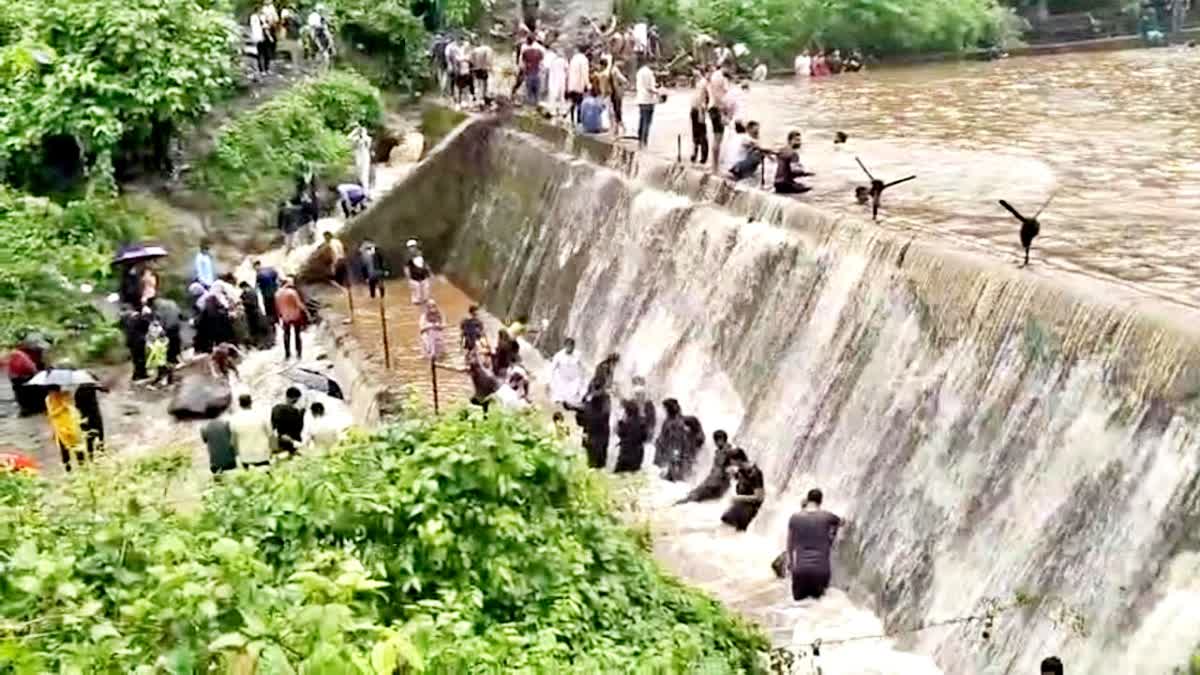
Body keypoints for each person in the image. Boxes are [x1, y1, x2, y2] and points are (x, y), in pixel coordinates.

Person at [787, 488, 843, 600]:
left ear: (807, 500)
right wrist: (832, 536)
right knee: (817, 608)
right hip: (820, 571)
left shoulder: (795, 518)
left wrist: (791, 563)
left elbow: (789, 544)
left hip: (800, 570)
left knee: (797, 607)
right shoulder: (828, 517)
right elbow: (842, 522)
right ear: (821, 501)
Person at [677, 430, 735, 503]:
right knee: (692, 495)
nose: (715, 443)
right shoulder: (721, 451)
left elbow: (726, 470)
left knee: (691, 497)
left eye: (716, 441)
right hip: (714, 482)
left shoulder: (727, 452)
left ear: (721, 439)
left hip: (716, 484)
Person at [566, 387, 611, 469]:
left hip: (594, 436)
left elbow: (577, 410)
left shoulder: (591, 409)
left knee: (592, 458)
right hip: (599, 435)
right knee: (598, 458)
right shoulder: (604, 407)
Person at [720, 450, 764, 531]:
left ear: (739, 460)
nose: (732, 465)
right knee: (725, 520)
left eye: (732, 462)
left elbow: (759, 498)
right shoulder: (741, 470)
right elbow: (741, 481)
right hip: (741, 505)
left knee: (728, 522)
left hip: (751, 508)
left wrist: (738, 498)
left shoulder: (755, 473)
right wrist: (733, 475)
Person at [45, 386, 85, 472]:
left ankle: (83, 467)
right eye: (50, 392)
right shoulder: (48, 399)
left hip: (69, 424)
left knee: (76, 447)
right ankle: (68, 469)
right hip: (59, 428)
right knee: (64, 451)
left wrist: (66, 404)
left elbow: (72, 406)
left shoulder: (65, 395)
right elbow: (51, 415)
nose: (52, 394)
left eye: (53, 392)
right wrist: (62, 407)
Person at [230, 394, 272, 468]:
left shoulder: (234, 419)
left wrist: (237, 455)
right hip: (262, 455)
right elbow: (270, 435)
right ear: (251, 402)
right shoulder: (261, 416)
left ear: (239, 404)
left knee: (250, 478)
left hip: (246, 457)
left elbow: (233, 442)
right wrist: (272, 451)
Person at [7, 338, 45, 416]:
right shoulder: (22, 355)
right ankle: (32, 409)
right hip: (24, 377)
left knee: (20, 395)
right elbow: (30, 367)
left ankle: (25, 409)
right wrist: (36, 373)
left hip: (15, 378)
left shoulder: (14, 354)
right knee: (29, 394)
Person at [275, 279, 308, 360]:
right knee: (297, 334)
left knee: (286, 334)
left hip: (285, 317)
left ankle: (287, 354)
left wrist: (279, 316)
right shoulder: (292, 292)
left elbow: (277, 307)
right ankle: (299, 353)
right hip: (295, 316)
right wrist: (306, 312)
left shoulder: (277, 294)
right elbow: (299, 304)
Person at [774, 130, 814, 194]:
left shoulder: (781, 150)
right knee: (812, 189)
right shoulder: (794, 154)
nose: (799, 142)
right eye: (797, 140)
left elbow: (784, 168)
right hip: (786, 183)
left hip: (777, 183)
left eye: (799, 140)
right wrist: (806, 173)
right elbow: (794, 170)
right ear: (790, 140)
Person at [614, 399, 648, 472]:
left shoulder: (626, 422)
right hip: (638, 453)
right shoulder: (642, 421)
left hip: (626, 452)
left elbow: (620, 433)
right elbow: (644, 437)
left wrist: (620, 422)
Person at [549, 338, 586, 406]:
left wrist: (581, 381)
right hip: (562, 379)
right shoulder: (558, 355)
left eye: (572, 346)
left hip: (574, 379)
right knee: (559, 398)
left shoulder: (578, 354)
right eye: (568, 346)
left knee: (575, 398)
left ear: (574, 347)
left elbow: (583, 368)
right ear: (565, 346)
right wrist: (551, 381)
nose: (570, 348)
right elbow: (552, 368)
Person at [667, 415, 704, 481]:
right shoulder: (684, 434)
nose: (685, 428)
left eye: (686, 426)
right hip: (683, 457)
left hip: (688, 459)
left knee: (685, 474)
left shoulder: (697, 437)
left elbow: (695, 450)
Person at [706, 66, 729, 171]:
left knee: (717, 137)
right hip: (716, 108)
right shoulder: (720, 78)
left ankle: (714, 165)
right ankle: (715, 167)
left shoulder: (715, 76)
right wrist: (722, 112)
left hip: (713, 108)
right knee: (718, 138)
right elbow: (718, 96)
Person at [271, 387, 306, 457]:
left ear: (286, 396)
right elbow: (300, 428)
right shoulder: (298, 412)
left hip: (281, 442)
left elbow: (272, 427)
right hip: (294, 443)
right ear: (295, 399)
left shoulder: (276, 408)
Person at [74, 383, 105, 460]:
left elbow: (77, 406)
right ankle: (101, 454)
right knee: (100, 436)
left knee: (89, 439)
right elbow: (105, 389)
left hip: (85, 418)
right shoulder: (93, 388)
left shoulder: (77, 393)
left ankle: (91, 457)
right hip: (95, 416)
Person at [653, 398, 686, 470]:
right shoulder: (668, 420)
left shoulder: (677, 423)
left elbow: (677, 444)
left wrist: (675, 461)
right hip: (665, 455)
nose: (663, 410)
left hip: (669, 458)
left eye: (665, 408)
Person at [634, 58, 661, 148]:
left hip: (641, 99)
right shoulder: (649, 73)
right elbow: (649, 88)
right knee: (647, 122)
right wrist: (658, 93)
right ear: (651, 63)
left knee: (641, 120)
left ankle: (640, 140)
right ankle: (644, 141)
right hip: (648, 100)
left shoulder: (639, 72)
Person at [599, 55, 628, 137]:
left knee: (612, 113)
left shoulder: (608, 72)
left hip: (611, 95)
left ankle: (616, 130)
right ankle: (616, 130)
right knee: (615, 112)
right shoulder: (612, 70)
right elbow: (624, 80)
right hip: (615, 94)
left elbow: (605, 87)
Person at [122, 305, 152, 382]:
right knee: (141, 358)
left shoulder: (126, 318)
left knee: (135, 359)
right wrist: (146, 315)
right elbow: (146, 325)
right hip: (138, 341)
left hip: (130, 341)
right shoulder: (139, 318)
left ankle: (136, 375)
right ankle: (141, 374)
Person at [240, 281, 270, 347]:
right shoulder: (248, 292)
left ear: (245, 286)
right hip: (252, 313)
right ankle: (259, 343)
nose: (243, 290)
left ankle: (260, 344)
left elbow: (252, 303)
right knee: (254, 329)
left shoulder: (251, 292)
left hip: (254, 313)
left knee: (256, 329)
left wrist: (242, 302)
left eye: (243, 288)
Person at [689, 71, 709, 164]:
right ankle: (695, 153)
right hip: (694, 109)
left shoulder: (703, 83)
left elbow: (704, 98)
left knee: (701, 133)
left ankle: (703, 156)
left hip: (699, 109)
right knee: (695, 133)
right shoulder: (697, 83)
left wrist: (702, 110)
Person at [567, 46, 590, 124]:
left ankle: (572, 119)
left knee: (573, 102)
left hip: (571, 84)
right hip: (579, 85)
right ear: (586, 51)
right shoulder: (584, 60)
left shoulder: (574, 58)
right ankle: (579, 121)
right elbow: (584, 73)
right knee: (580, 103)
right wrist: (588, 84)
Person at [405, 239, 433, 305]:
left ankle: (426, 312)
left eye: (413, 246)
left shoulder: (422, 254)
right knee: (417, 300)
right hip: (414, 280)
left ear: (416, 246)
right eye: (410, 247)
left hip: (424, 278)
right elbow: (406, 269)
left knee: (426, 298)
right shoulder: (408, 258)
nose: (412, 249)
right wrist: (409, 279)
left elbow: (426, 265)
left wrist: (430, 274)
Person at [519, 35, 545, 104]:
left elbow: (522, 65)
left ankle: (530, 110)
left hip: (529, 74)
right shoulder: (539, 51)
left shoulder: (525, 51)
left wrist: (523, 73)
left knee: (529, 94)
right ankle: (536, 108)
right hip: (537, 74)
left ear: (528, 41)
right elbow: (542, 64)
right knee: (537, 95)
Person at [253, 260, 280, 325]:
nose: (255, 269)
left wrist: (254, 292)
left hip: (266, 294)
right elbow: (276, 276)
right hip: (275, 292)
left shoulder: (259, 274)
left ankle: (271, 322)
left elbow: (256, 286)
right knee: (275, 305)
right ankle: (277, 319)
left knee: (268, 308)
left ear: (257, 266)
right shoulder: (270, 269)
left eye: (254, 267)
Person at [543, 45, 567, 118]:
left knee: (553, 96)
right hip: (561, 80)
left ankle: (552, 111)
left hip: (553, 80)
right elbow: (566, 69)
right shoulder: (564, 61)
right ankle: (562, 111)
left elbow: (546, 68)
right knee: (561, 96)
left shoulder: (553, 60)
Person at [250, 10, 270, 74]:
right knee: (261, 54)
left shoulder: (261, 17)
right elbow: (256, 28)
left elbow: (267, 27)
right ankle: (262, 69)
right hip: (260, 37)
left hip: (264, 38)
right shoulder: (255, 17)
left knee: (266, 54)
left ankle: (265, 69)